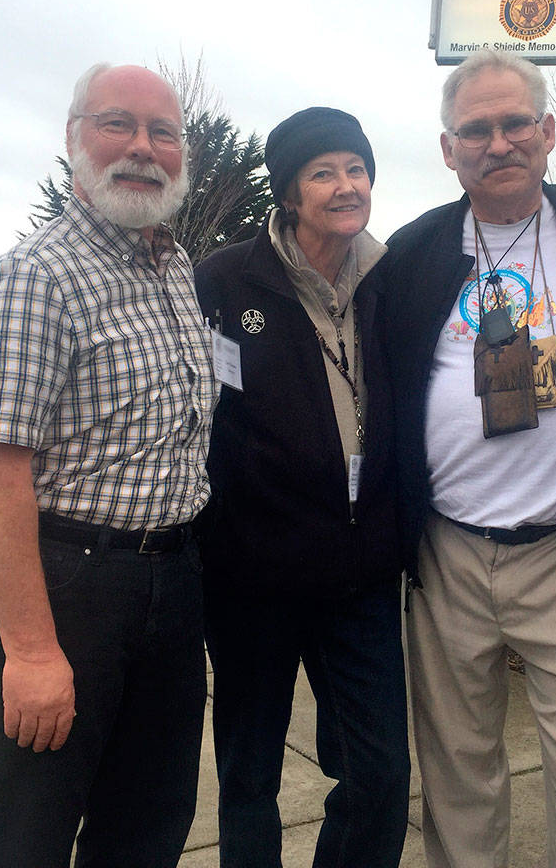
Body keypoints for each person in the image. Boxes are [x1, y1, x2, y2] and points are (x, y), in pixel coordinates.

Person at [380, 49, 556, 868]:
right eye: (475, 129)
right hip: (448, 554)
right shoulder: (415, 252)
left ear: (545, 132)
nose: (496, 143)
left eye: (513, 125)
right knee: (458, 769)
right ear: (447, 148)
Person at [0, 63, 215, 868]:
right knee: (34, 833)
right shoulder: (36, 279)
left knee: (148, 827)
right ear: (74, 139)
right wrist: (32, 654)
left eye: (162, 132)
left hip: (171, 583)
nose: (142, 147)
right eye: (117, 124)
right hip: (64, 585)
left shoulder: (172, 266)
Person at [193, 107, 410, 868]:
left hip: (362, 578)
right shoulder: (225, 280)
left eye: (357, 169)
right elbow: (200, 417)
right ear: (289, 191)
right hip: (254, 576)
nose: (346, 186)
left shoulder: (392, 278)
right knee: (248, 775)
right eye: (324, 172)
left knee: (381, 771)